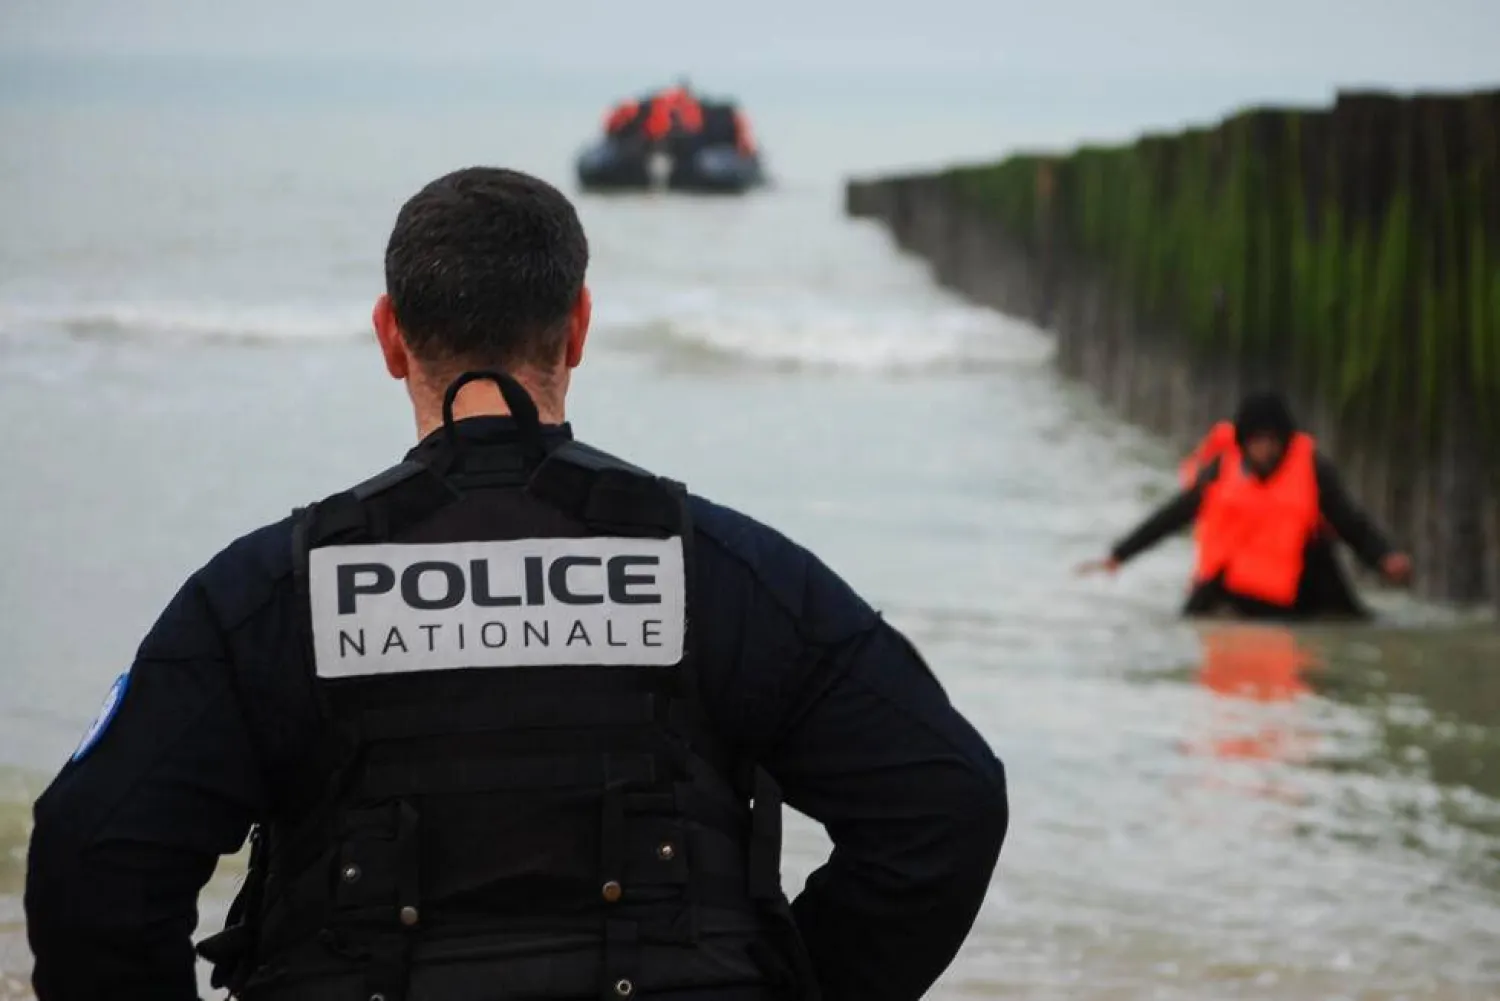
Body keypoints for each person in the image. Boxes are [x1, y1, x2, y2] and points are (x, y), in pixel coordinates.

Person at [24, 167, 1008, 1001]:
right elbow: (944, 802)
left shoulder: (269, 592)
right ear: (578, 327)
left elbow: (91, 859)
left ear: (390, 335)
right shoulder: (725, 571)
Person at [1077, 390, 1412, 619]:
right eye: (1257, 441)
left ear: (1284, 440)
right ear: (1244, 442)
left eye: (1272, 441)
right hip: (1232, 588)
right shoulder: (1222, 470)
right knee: (1193, 621)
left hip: (1301, 589)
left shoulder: (1312, 469)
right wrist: (1119, 555)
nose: (1265, 450)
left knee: (1349, 617)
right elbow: (1172, 516)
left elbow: (1349, 521)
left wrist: (1383, 557)